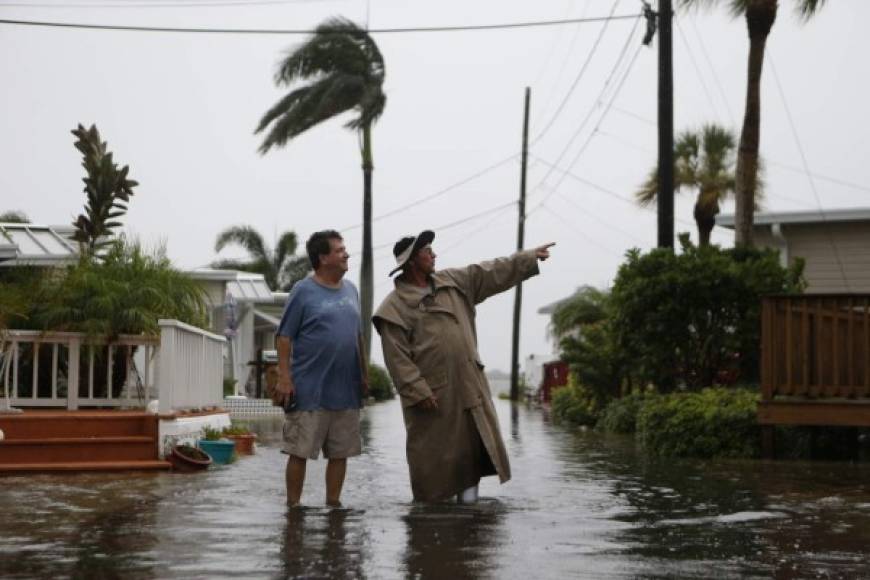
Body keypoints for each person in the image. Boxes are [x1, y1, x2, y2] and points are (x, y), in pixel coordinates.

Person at [373, 230, 553, 502]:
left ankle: (469, 519)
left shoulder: (454, 281)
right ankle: (434, 525)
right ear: (411, 261)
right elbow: (397, 358)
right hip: (433, 397)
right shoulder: (393, 307)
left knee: (470, 456)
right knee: (435, 464)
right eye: (427, 252)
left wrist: (527, 259)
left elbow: (490, 272)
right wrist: (417, 390)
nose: (434, 255)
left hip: (469, 387)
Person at [273, 229, 368, 507]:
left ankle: (333, 505)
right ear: (323, 258)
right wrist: (285, 378)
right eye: (339, 250)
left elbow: (357, 336)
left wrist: (363, 374)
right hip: (309, 389)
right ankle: (293, 508)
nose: (346, 254)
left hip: (346, 389)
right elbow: (284, 337)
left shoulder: (351, 289)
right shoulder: (303, 291)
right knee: (299, 452)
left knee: (341, 453)